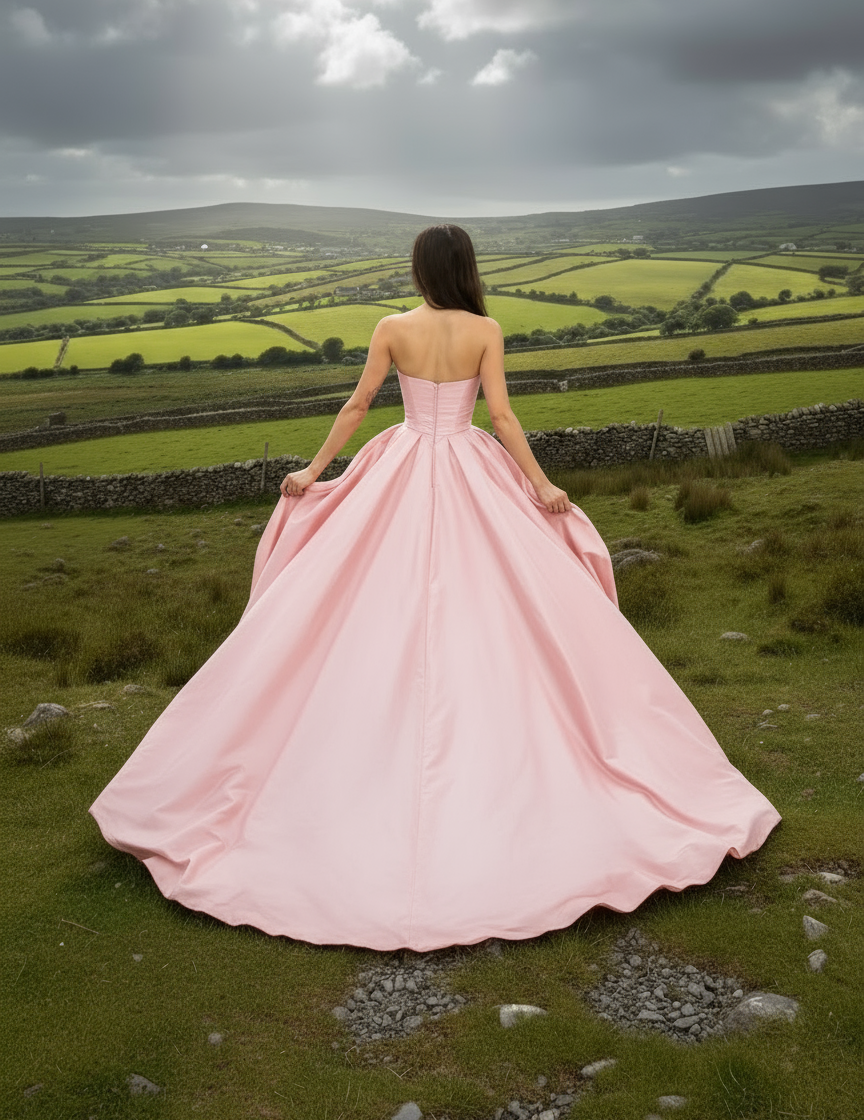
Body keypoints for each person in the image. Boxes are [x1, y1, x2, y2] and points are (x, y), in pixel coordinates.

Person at [90, 224, 780, 953]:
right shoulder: (486, 328)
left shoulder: (392, 326)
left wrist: (314, 469)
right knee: (498, 598)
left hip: (403, 462)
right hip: (467, 468)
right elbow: (502, 417)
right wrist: (541, 485)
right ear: (468, 270)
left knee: (359, 596)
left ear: (421, 269)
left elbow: (357, 407)